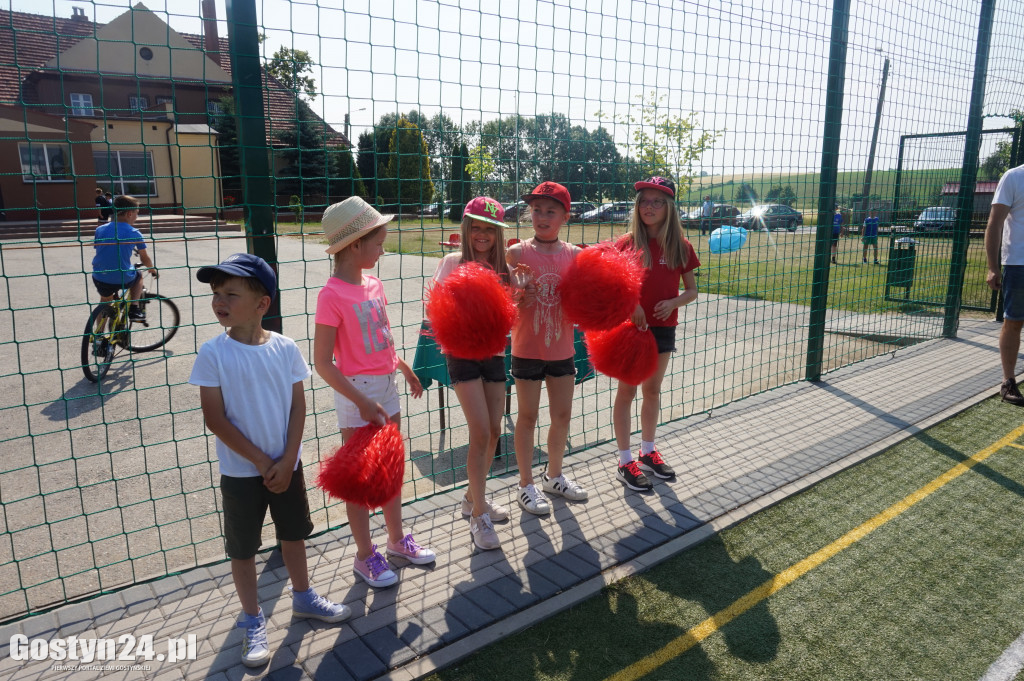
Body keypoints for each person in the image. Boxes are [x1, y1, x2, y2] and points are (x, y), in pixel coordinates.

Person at [188, 253, 350, 668]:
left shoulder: (285, 348)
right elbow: (214, 417)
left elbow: (298, 407)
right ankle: (252, 618)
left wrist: (289, 457)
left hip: (286, 466)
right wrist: (263, 462)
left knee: (293, 535)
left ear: (262, 305)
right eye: (216, 294)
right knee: (243, 549)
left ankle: (303, 598)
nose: (219, 301)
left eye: (231, 294)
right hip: (243, 472)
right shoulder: (213, 353)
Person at [312, 196, 436, 586]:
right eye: (379, 242)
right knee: (359, 477)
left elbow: (381, 337)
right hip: (357, 394)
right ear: (355, 245)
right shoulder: (331, 295)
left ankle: (397, 541)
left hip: (387, 385)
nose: (383, 249)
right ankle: (365, 555)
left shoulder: (374, 284)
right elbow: (323, 363)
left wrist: (404, 367)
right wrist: (361, 401)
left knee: (391, 467)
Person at [430, 196, 519, 549]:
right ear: (467, 229)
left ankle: (472, 497)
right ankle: (479, 516)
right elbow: (436, 309)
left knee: (495, 431)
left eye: (489, 229)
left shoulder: (504, 271)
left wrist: (521, 293)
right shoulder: (452, 262)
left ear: (498, 233)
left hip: (494, 355)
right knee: (480, 431)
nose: (482, 235)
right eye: (476, 227)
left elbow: (509, 312)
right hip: (462, 356)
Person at [506, 181, 588, 516]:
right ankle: (526, 484)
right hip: (526, 348)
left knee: (562, 416)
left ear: (564, 217)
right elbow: (503, 306)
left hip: (562, 350)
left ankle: (554, 476)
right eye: (536, 209)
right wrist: (521, 294)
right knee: (527, 416)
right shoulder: (516, 253)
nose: (542, 216)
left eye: (550, 211)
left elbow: (586, 305)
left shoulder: (576, 256)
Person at [613, 177, 700, 491]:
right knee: (627, 393)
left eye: (657, 201)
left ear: (669, 207)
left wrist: (674, 301)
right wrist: (631, 303)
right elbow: (611, 286)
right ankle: (625, 460)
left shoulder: (680, 245)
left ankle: (647, 452)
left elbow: (692, 291)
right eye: (644, 201)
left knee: (652, 391)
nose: (649, 207)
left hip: (663, 329)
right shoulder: (626, 243)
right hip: (630, 330)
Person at [985, 162, 1024, 406]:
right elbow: (995, 223)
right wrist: (992, 266)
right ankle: (1008, 381)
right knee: (1014, 322)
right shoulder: (1014, 176)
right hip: (1019, 263)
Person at [91, 195, 157, 321]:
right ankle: (134, 308)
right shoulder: (134, 232)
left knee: (105, 302)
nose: (137, 217)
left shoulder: (99, 230)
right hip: (122, 277)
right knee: (138, 275)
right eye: (137, 213)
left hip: (100, 276)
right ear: (129, 214)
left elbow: (102, 250)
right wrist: (152, 269)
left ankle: (99, 336)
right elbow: (144, 258)